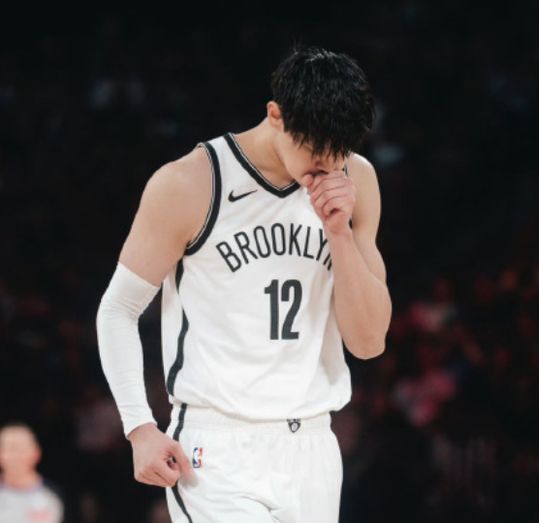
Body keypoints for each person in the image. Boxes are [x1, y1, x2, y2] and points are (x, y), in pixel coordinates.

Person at [96, 46, 391, 522]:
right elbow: (118, 309)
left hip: (313, 445)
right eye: (314, 150)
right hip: (219, 448)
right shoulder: (190, 182)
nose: (326, 166)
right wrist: (139, 427)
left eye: (338, 152)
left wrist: (338, 233)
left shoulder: (357, 179)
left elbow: (369, 342)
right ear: (275, 115)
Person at [0, 422, 64, 523]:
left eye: (20, 449)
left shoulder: (54, 495)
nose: (14, 456)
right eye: (8, 449)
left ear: (36, 453)